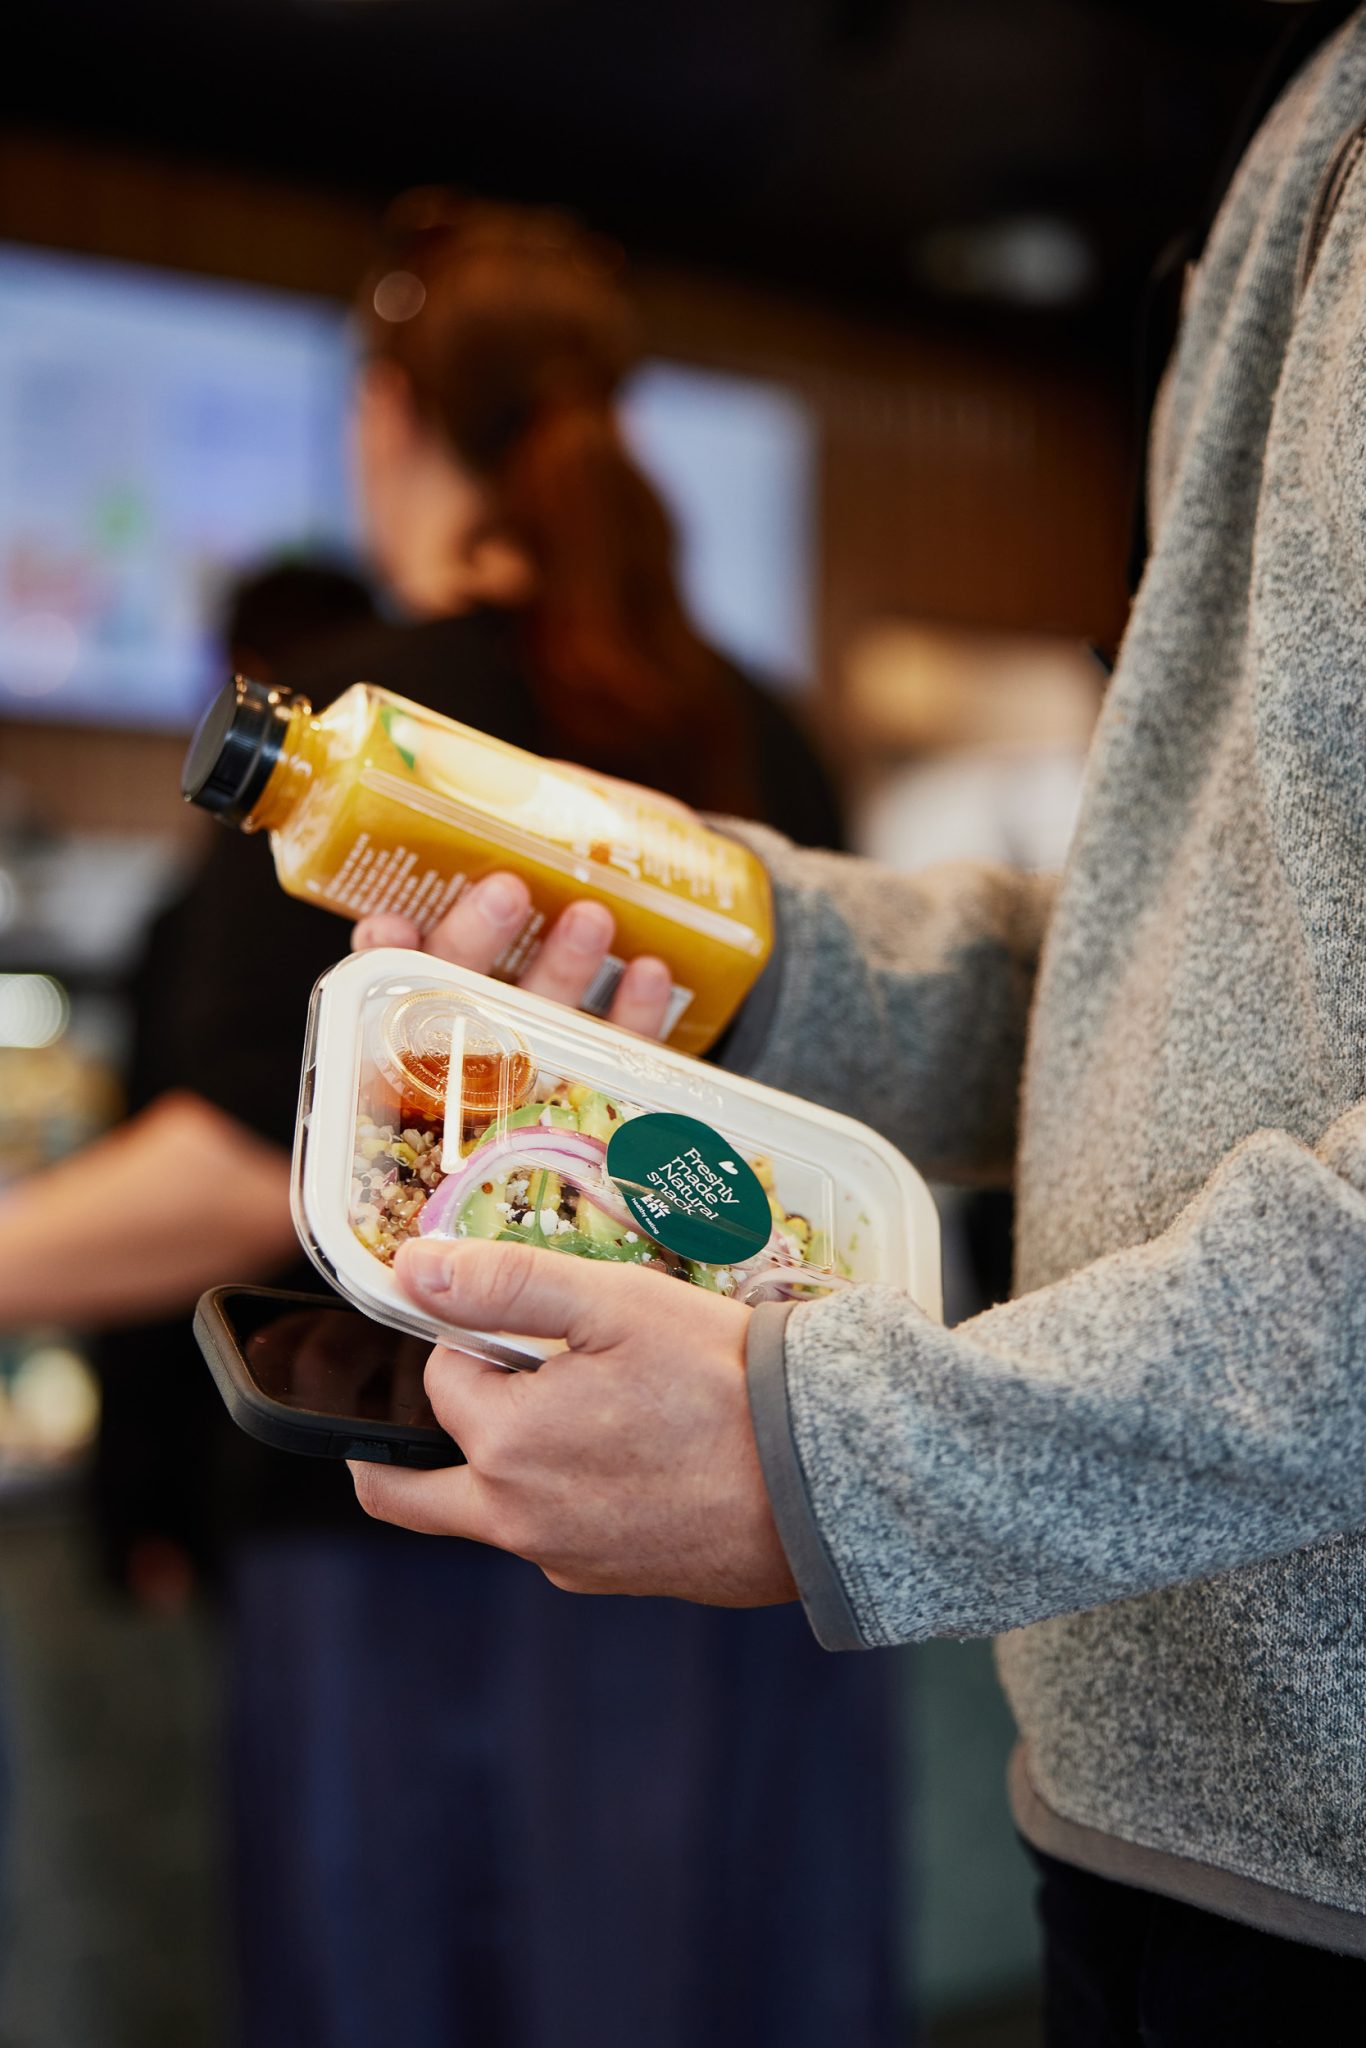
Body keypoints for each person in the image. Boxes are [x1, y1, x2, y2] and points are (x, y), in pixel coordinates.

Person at [346, 11, 1366, 2039]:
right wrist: (744, 958)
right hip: (1156, 1808)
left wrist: (859, 1453)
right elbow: (1192, 970)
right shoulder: (1303, 127)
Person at [4, 207, 889, 2046]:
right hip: (734, 1527)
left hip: (435, 1552)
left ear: (385, 417)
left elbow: (248, 1158)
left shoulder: (380, 738)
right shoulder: (767, 737)